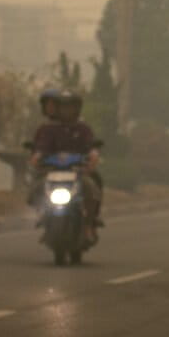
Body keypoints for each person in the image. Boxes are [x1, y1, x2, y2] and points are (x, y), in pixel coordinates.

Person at [28, 91, 102, 243]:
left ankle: (88, 225)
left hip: (78, 172)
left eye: (70, 107)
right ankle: (43, 215)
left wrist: (93, 155)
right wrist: (37, 156)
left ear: (77, 109)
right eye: (64, 107)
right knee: (36, 187)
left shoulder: (83, 128)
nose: (67, 111)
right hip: (52, 172)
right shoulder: (47, 129)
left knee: (91, 187)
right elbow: (40, 148)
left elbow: (91, 146)